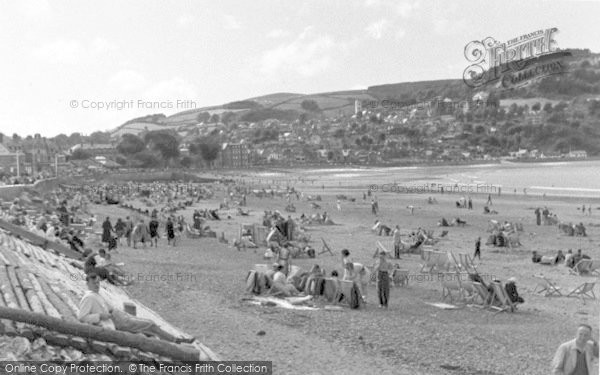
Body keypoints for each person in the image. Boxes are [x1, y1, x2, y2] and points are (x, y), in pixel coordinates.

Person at [78, 273, 193, 343]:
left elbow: (109, 308)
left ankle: (173, 339)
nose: (97, 285)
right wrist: (100, 316)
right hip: (116, 322)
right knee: (150, 324)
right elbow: (82, 317)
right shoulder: (88, 298)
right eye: (94, 283)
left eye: (98, 283)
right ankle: (175, 341)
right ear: (88, 283)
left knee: (149, 325)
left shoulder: (96, 294)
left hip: (119, 316)